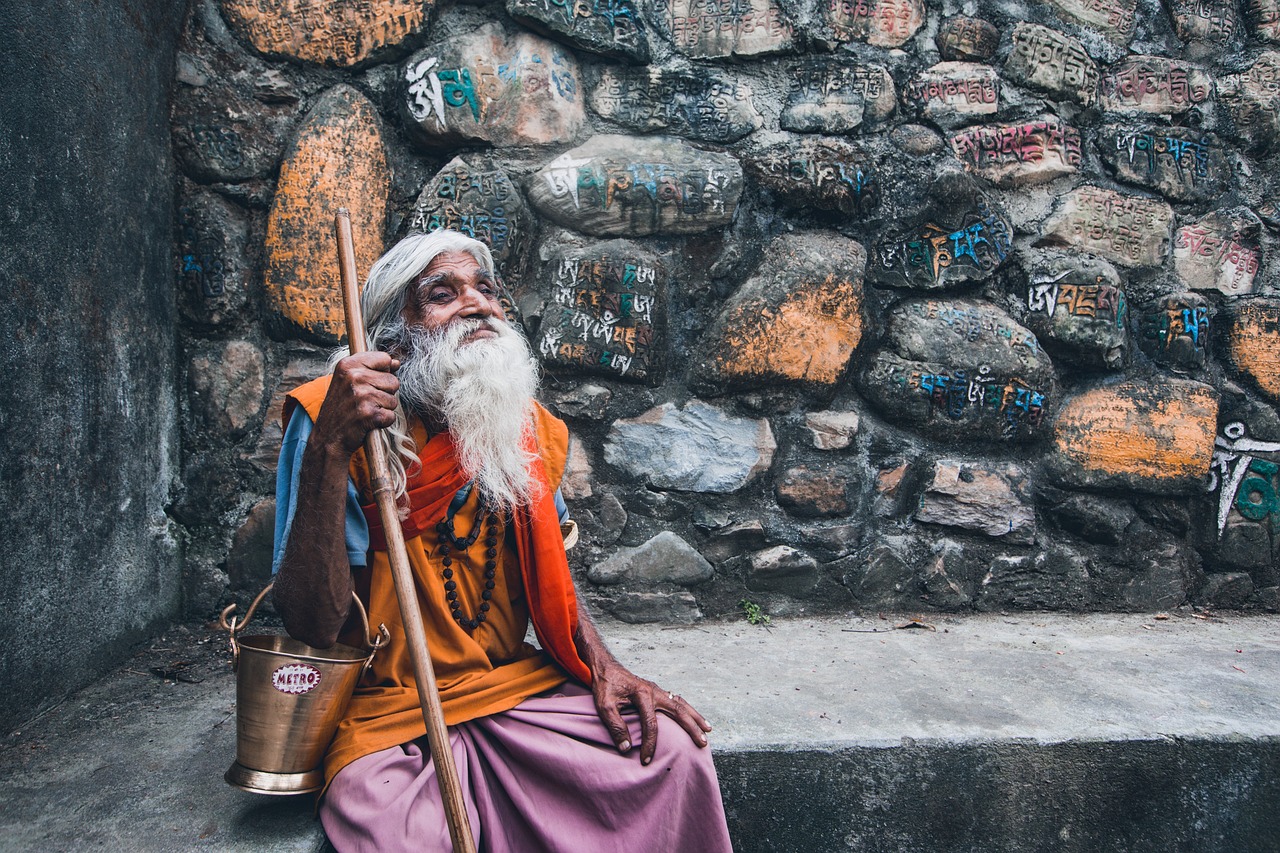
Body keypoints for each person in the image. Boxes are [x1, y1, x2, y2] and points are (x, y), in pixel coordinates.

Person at [270, 229, 732, 852]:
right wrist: (331, 447)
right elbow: (312, 624)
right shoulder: (332, 419)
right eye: (443, 294)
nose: (478, 305)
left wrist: (605, 666)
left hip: (511, 683)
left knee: (670, 752)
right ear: (392, 340)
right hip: (386, 707)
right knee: (406, 837)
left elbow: (551, 570)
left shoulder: (520, 423)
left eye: (486, 290)